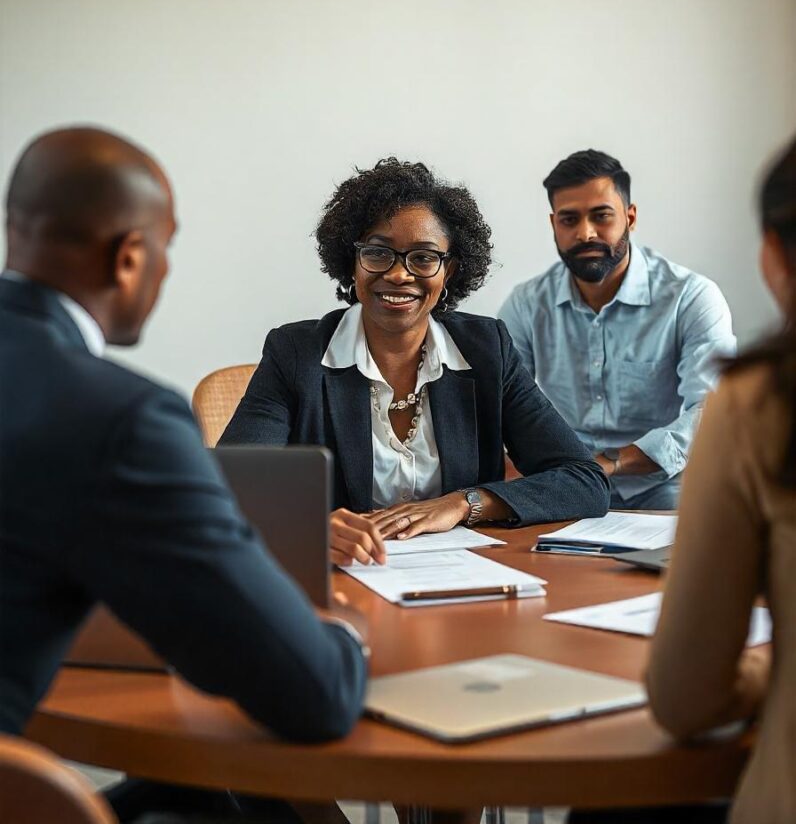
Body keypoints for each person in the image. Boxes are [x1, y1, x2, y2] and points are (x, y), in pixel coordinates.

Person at [0, 127, 367, 817]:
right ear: (131, 257)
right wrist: (343, 632)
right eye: (168, 246)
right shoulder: (121, 418)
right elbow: (313, 695)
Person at [220, 157, 609, 564]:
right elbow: (230, 486)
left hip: (463, 580)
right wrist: (309, 526)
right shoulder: (296, 353)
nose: (400, 275)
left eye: (423, 258)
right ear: (352, 263)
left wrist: (464, 503)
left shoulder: (486, 350)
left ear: (449, 270)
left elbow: (584, 481)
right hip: (344, 582)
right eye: (378, 253)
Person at [645, 134, 796, 824]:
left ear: (771, 257)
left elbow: (686, 697)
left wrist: (774, 669)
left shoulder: (762, 405)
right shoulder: (527, 307)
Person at [499, 149, 735, 511]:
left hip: (665, 486)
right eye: (569, 219)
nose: (585, 232)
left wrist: (607, 463)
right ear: (553, 224)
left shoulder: (691, 298)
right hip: (565, 487)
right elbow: (500, 408)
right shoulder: (527, 305)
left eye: (601, 216)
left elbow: (712, 412)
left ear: (630, 216)